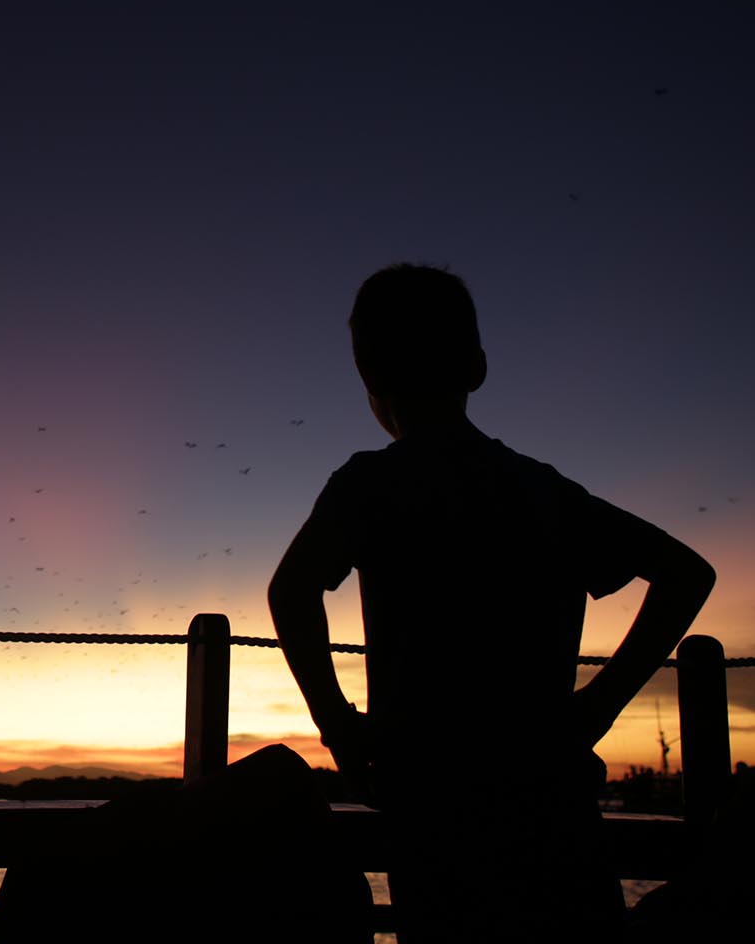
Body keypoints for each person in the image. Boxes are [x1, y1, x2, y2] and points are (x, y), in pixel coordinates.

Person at [268, 264, 715, 943]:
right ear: (477, 367)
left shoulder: (370, 485)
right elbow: (686, 574)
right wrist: (597, 704)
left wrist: (340, 729)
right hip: (550, 798)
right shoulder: (543, 493)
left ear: (369, 379)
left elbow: (293, 590)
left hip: (430, 801)